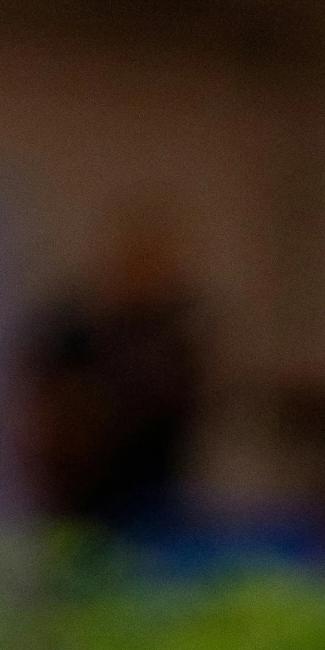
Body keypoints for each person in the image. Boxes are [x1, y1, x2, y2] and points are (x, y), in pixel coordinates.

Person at [18, 216, 205, 532]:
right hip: (83, 488)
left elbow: (190, 400)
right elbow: (46, 401)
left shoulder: (174, 333)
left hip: (156, 484)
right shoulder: (76, 331)